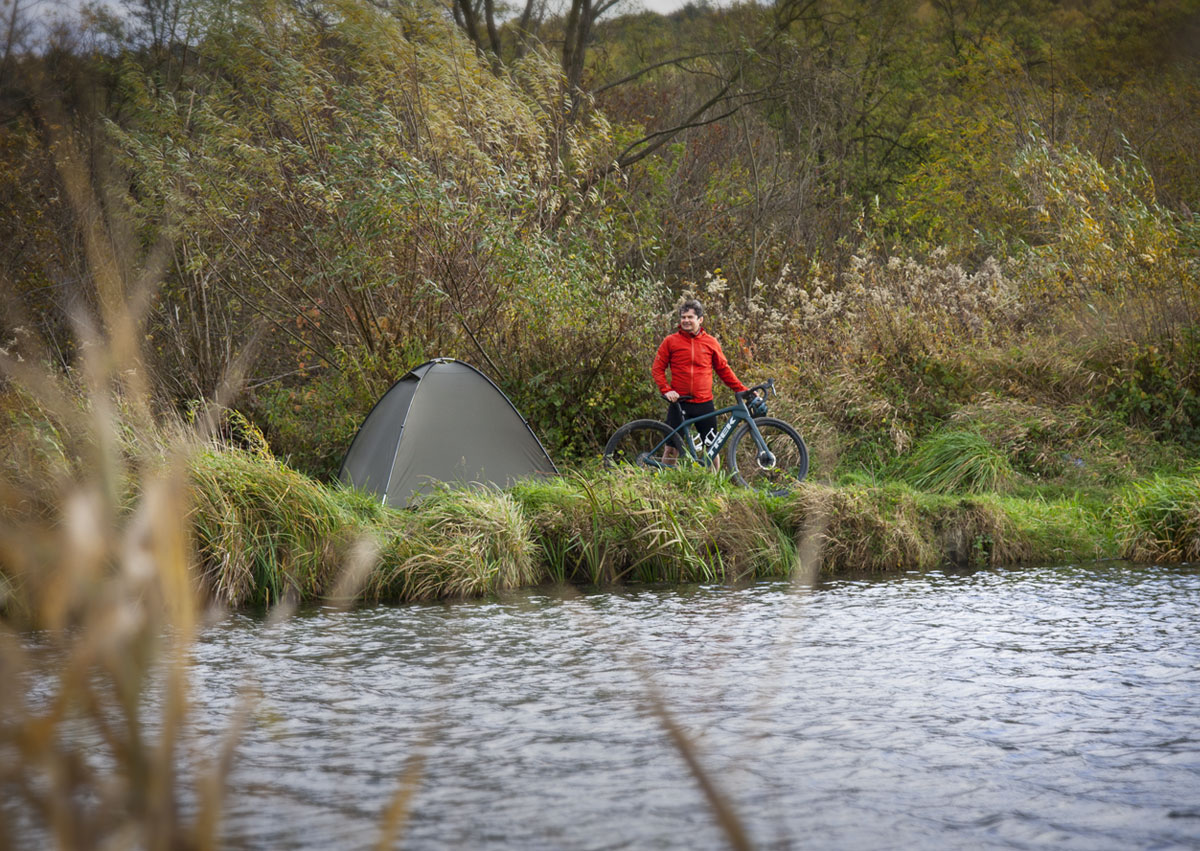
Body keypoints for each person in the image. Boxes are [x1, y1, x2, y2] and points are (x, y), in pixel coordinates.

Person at [651, 299, 748, 458]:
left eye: (690, 317)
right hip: (679, 403)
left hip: (704, 404)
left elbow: (723, 370)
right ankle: (666, 475)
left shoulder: (710, 342)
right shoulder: (670, 341)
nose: (686, 320)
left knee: (712, 449)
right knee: (671, 449)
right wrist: (666, 390)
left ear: (700, 319)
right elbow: (657, 369)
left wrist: (742, 390)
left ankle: (713, 476)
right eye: (683, 317)